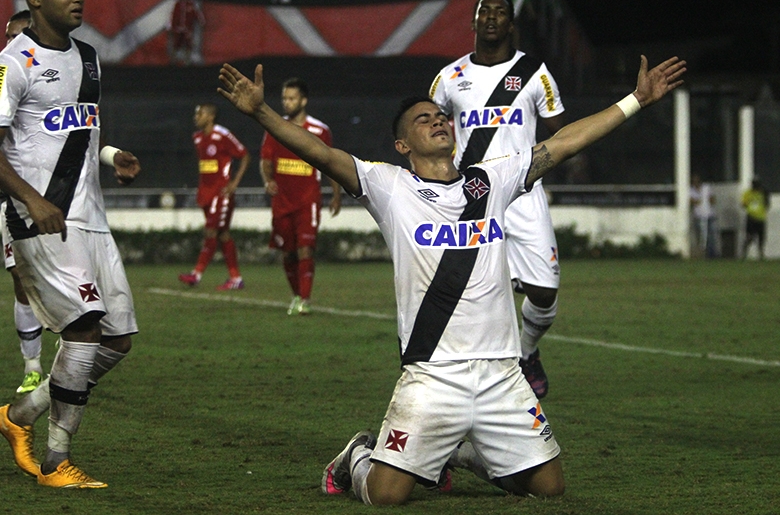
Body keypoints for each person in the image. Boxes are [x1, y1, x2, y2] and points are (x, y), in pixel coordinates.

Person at [216, 51, 685, 504]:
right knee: (386, 496)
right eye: (423, 119)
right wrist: (262, 114)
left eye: (441, 116)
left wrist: (635, 101)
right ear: (402, 145)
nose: (438, 120)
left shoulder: (490, 180)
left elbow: (563, 143)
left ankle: (458, 452)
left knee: (549, 488)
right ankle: (354, 458)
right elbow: (319, 152)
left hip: (502, 372)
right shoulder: (389, 186)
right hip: (433, 375)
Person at [0, 0, 141, 488]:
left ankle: (17, 418)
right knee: (83, 332)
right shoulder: (10, 64)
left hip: (91, 218)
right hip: (41, 220)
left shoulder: (89, 57)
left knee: (117, 339)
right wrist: (32, 201)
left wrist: (112, 156)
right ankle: (57, 462)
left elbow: (76, 133)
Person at [429, 0, 567, 399]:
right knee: (485, 295)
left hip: (524, 193)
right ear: (472, 23)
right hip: (473, 197)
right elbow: (427, 130)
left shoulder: (534, 73)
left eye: (500, 12)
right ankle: (484, 382)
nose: (491, 17)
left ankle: (527, 352)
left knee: (544, 294)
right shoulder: (449, 78)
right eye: (483, 11)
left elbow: (562, 133)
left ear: (511, 24)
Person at [260, 78, 341, 315]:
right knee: (288, 252)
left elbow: (331, 164)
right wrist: (268, 180)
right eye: (285, 98)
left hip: (308, 200)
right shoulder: (275, 128)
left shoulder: (319, 130)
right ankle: (296, 295)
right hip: (282, 201)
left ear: (303, 100)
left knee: (306, 249)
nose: (287, 102)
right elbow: (265, 161)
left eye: (292, 98)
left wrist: (336, 194)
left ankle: (304, 300)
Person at [2, 9, 45, 396]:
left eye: (19, 36)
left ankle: (73, 355)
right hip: (14, 200)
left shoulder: (59, 78)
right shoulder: (4, 76)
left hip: (64, 197)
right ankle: (32, 365)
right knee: (22, 279)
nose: (13, 45)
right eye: (8, 37)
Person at [179, 103, 250, 290]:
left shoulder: (222, 135)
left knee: (211, 232)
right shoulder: (197, 138)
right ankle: (236, 278)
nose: (196, 117)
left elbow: (244, 155)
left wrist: (234, 184)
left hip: (221, 193)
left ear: (210, 116)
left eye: (200, 114)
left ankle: (196, 274)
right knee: (222, 234)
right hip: (206, 193)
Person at [690, 173, 718, 258]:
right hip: (699, 216)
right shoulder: (691, 190)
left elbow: (712, 200)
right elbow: (692, 202)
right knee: (702, 236)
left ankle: (711, 254)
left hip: (709, 215)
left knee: (711, 235)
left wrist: (705, 200)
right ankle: (704, 253)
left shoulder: (706, 188)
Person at [741, 177, 770, 259]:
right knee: (750, 236)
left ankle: (761, 253)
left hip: (761, 218)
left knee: (761, 237)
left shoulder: (763, 193)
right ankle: (744, 253)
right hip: (751, 217)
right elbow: (743, 204)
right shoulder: (748, 193)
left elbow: (767, 204)